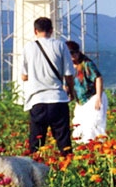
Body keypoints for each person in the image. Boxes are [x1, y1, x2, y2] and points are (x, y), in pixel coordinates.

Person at [21, 16, 75, 154]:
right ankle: (68, 170)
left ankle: (35, 171)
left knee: (36, 143)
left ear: (35, 30)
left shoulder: (28, 47)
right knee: (64, 142)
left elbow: (24, 76)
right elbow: (69, 73)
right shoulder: (60, 45)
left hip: (37, 100)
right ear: (51, 30)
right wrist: (71, 91)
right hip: (58, 98)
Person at [67, 40, 107, 142]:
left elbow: (98, 78)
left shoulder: (86, 63)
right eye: (70, 53)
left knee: (93, 125)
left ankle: (95, 147)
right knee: (79, 127)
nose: (73, 55)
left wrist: (98, 97)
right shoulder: (68, 65)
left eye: (75, 52)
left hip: (92, 97)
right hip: (80, 101)